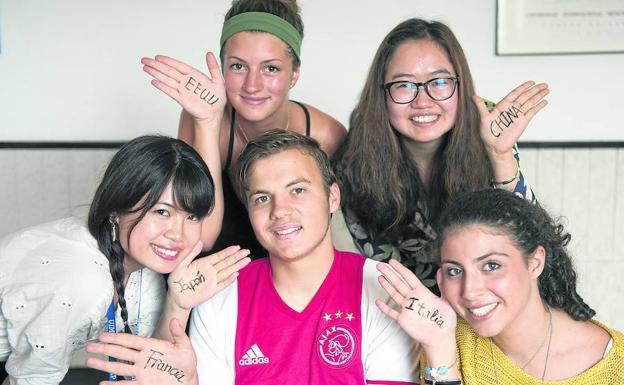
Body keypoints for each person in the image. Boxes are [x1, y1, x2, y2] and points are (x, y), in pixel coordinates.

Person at [84, 130, 419, 385]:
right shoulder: (221, 295)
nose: (280, 211)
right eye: (262, 198)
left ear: (332, 197)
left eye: (298, 190)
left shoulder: (385, 287)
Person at [0, 135, 250, 385]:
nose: (178, 234)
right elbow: (31, 379)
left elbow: (147, 369)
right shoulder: (81, 279)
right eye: (162, 211)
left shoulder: (143, 266)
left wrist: (178, 303)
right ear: (116, 208)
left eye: (192, 217)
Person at [333, 18, 548, 292]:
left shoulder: (488, 126)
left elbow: (529, 244)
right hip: (398, 309)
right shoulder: (356, 158)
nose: (423, 101)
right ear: (382, 95)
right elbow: (371, 274)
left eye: (440, 81)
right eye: (404, 85)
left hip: (482, 300)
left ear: (460, 85)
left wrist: (500, 154)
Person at [141, 0, 346, 258]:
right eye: (238, 66)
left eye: (271, 68)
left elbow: (323, 240)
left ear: (294, 74)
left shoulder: (326, 135)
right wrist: (207, 122)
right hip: (215, 274)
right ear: (223, 67)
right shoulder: (203, 116)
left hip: (293, 272)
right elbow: (200, 237)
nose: (252, 85)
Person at [376, 188, 624, 385]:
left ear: (535, 262)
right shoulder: (449, 340)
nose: (470, 290)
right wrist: (439, 351)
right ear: (441, 279)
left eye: (491, 266)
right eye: (455, 271)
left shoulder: (615, 366)